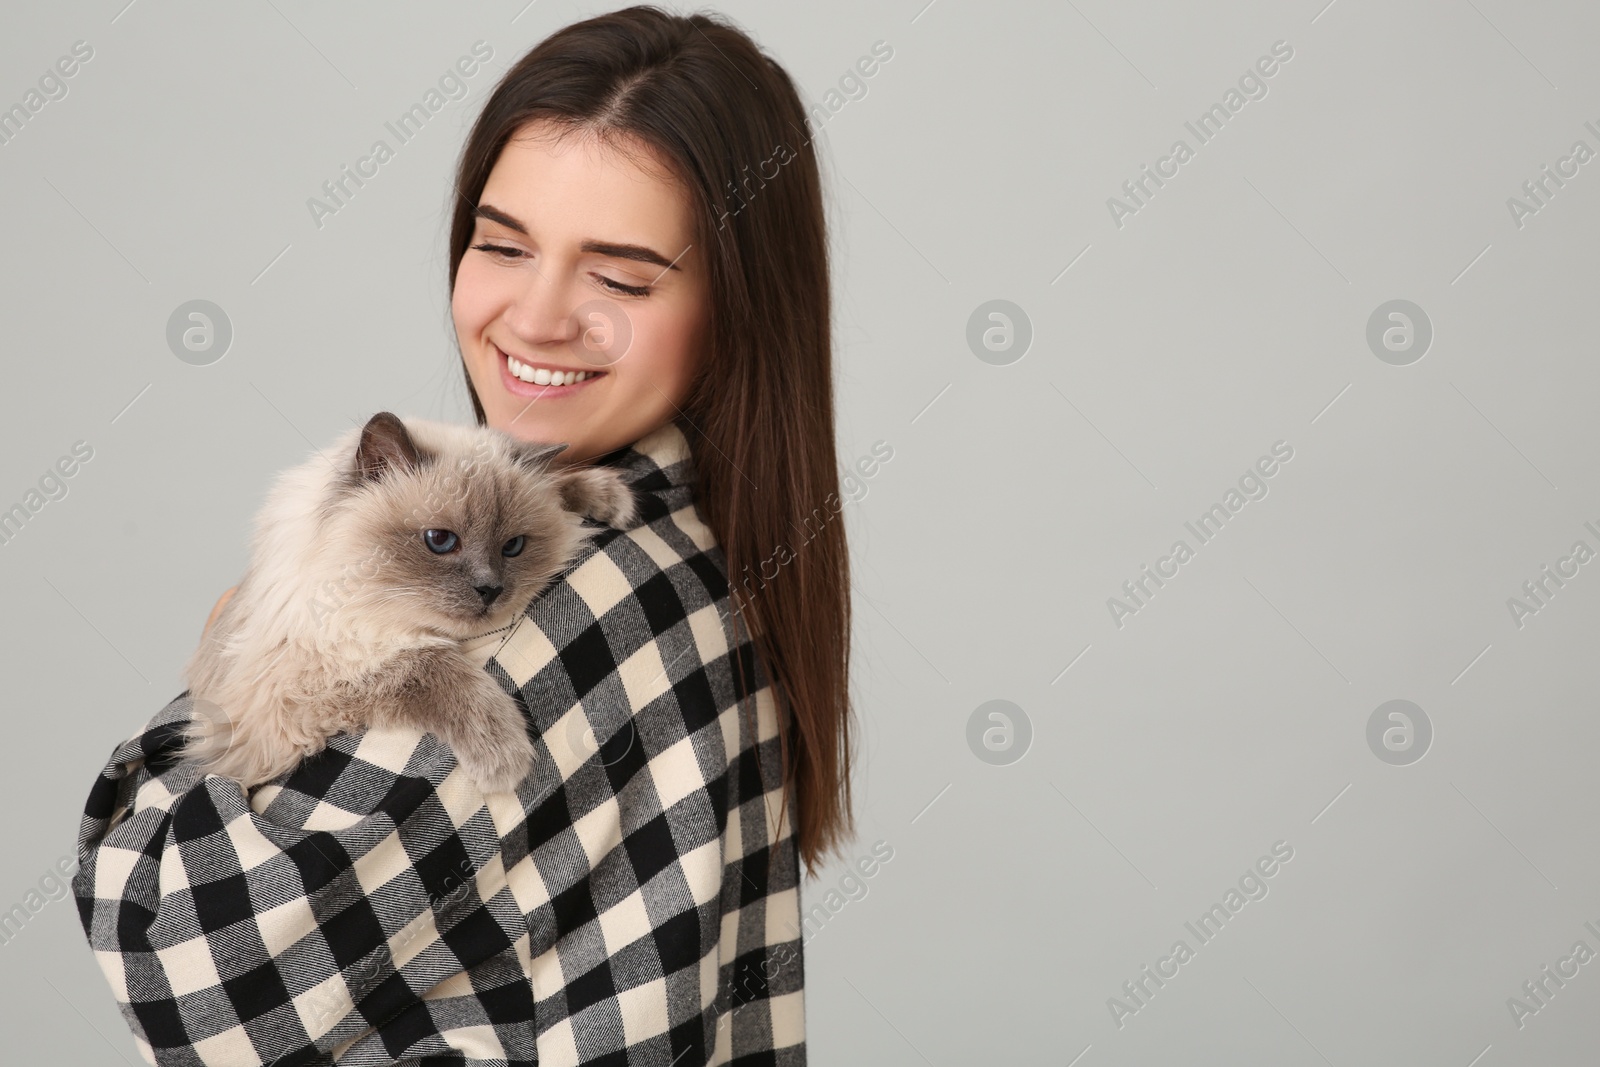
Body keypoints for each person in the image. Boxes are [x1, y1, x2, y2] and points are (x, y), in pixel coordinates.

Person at [69, 6, 855, 1064]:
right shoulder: (711, 551)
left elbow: (192, 970)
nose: (534, 317)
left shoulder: (541, 623)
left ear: (737, 304)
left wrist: (222, 662)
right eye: (501, 244)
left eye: (618, 277)